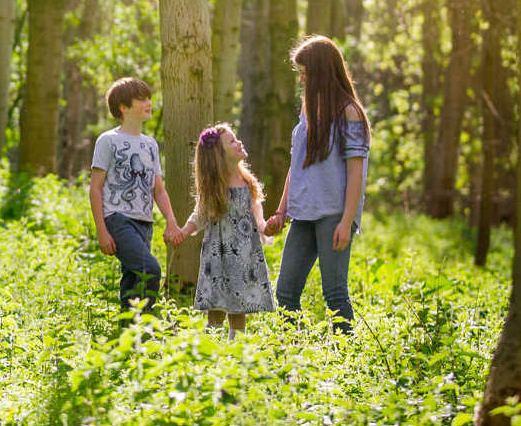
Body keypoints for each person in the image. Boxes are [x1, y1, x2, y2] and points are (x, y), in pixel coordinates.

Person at [264, 35, 370, 333]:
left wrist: (347, 222)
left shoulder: (349, 112)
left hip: (334, 214)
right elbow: (297, 165)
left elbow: (355, 172)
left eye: (305, 74)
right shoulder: (307, 110)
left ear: (323, 72)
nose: (302, 80)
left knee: (334, 294)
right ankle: (294, 360)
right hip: (303, 214)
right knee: (285, 294)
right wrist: (282, 211)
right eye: (300, 74)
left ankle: (346, 361)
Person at [90, 77, 184, 314]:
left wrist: (171, 223)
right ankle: (148, 327)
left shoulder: (150, 145)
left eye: (148, 98)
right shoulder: (108, 141)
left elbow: (158, 189)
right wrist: (102, 231)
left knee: (132, 283)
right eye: (141, 99)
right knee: (150, 270)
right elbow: (95, 188)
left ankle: (129, 338)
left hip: (145, 223)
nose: (149, 103)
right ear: (124, 107)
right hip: (118, 219)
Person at [179, 123, 275, 334]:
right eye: (232, 141)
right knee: (216, 307)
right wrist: (184, 231)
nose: (238, 142)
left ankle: (235, 356)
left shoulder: (247, 181)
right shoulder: (215, 186)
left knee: (239, 309)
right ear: (219, 155)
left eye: (236, 138)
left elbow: (256, 210)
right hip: (219, 255)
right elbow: (200, 214)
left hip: (244, 256)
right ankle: (212, 352)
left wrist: (264, 227)